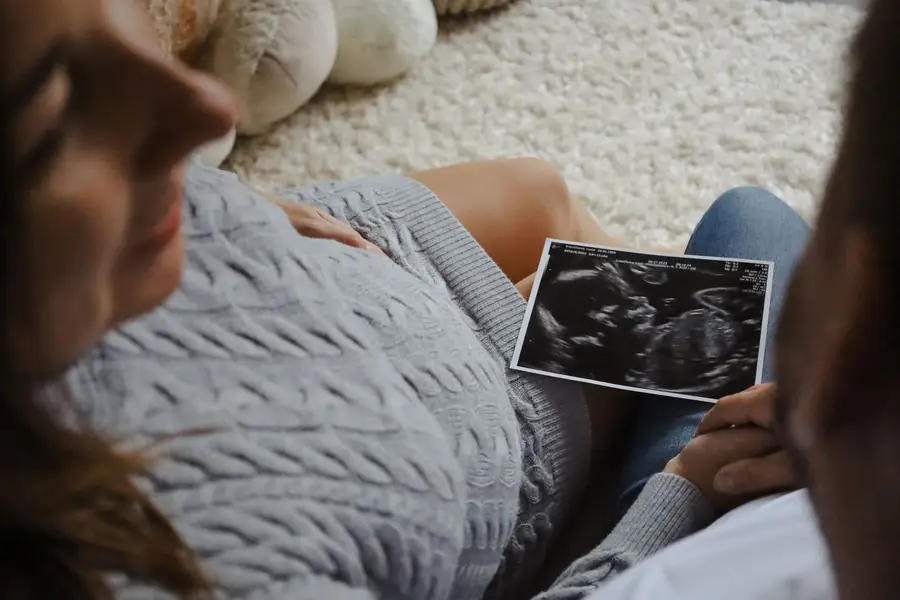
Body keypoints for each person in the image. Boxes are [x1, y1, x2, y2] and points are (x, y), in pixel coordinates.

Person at [0, 0, 803, 599]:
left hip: (315, 258)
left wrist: (209, 203)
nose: (210, 109)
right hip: (463, 410)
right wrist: (682, 492)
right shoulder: (171, 566)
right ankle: (635, 460)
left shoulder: (133, 236)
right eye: (58, 119)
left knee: (542, 192)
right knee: (752, 235)